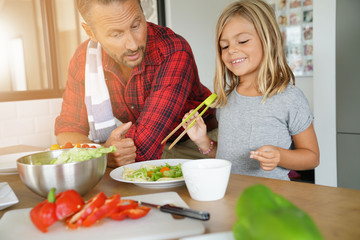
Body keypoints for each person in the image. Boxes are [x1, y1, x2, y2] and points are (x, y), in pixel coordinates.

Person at [55, 0, 217, 168]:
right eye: (116, 34)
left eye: (136, 25)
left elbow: (142, 148)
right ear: (91, 32)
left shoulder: (172, 50)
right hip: (141, 150)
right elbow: (68, 130)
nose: (133, 45)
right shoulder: (85, 58)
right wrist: (103, 152)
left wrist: (103, 154)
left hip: (197, 145)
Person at [182, 0, 319, 180]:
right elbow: (227, 160)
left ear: (268, 39)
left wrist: (280, 156)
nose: (232, 50)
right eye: (225, 46)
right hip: (230, 198)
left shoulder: (289, 98)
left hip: (269, 202)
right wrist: (202, 141)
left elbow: (312, 157)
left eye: (243, 41)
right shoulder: (226, 100)